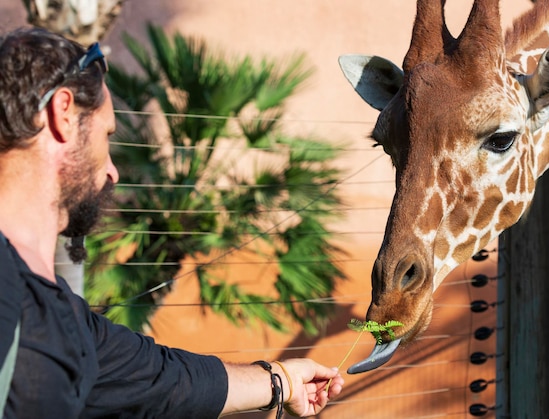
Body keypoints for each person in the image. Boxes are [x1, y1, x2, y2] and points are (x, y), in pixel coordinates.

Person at [0, 27, 344, 418]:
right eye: (107, 135)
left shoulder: (64, 319)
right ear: (63, 113)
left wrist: (281, 379)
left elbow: (162, 379)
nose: (112, 171)